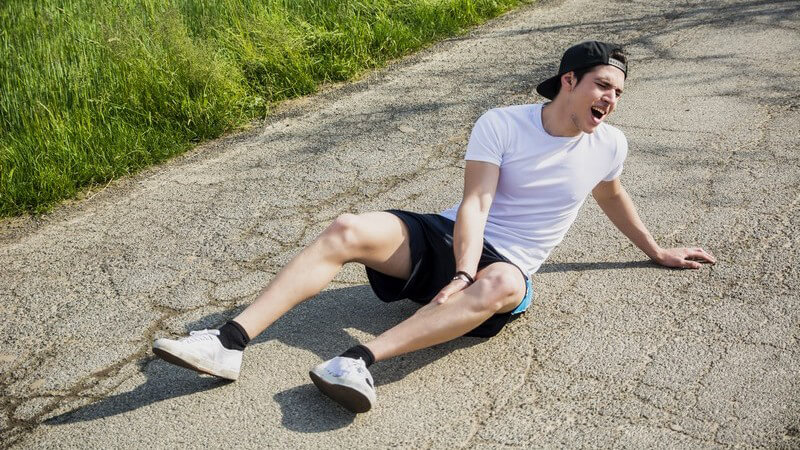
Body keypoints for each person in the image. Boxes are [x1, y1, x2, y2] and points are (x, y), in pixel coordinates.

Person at [152, 41, 716, 413]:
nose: (611, 100)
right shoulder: (503, 124)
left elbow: (611, 193)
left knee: (508, 285)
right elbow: (475, 202)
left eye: (617, 92)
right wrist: (462, 269)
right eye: (602, 86)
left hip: (506, 267)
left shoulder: (610, 145)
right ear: (568, 81)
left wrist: (655, 248)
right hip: (453, 239)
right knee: (348, 227)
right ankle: (227, 343)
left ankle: (357, 363)